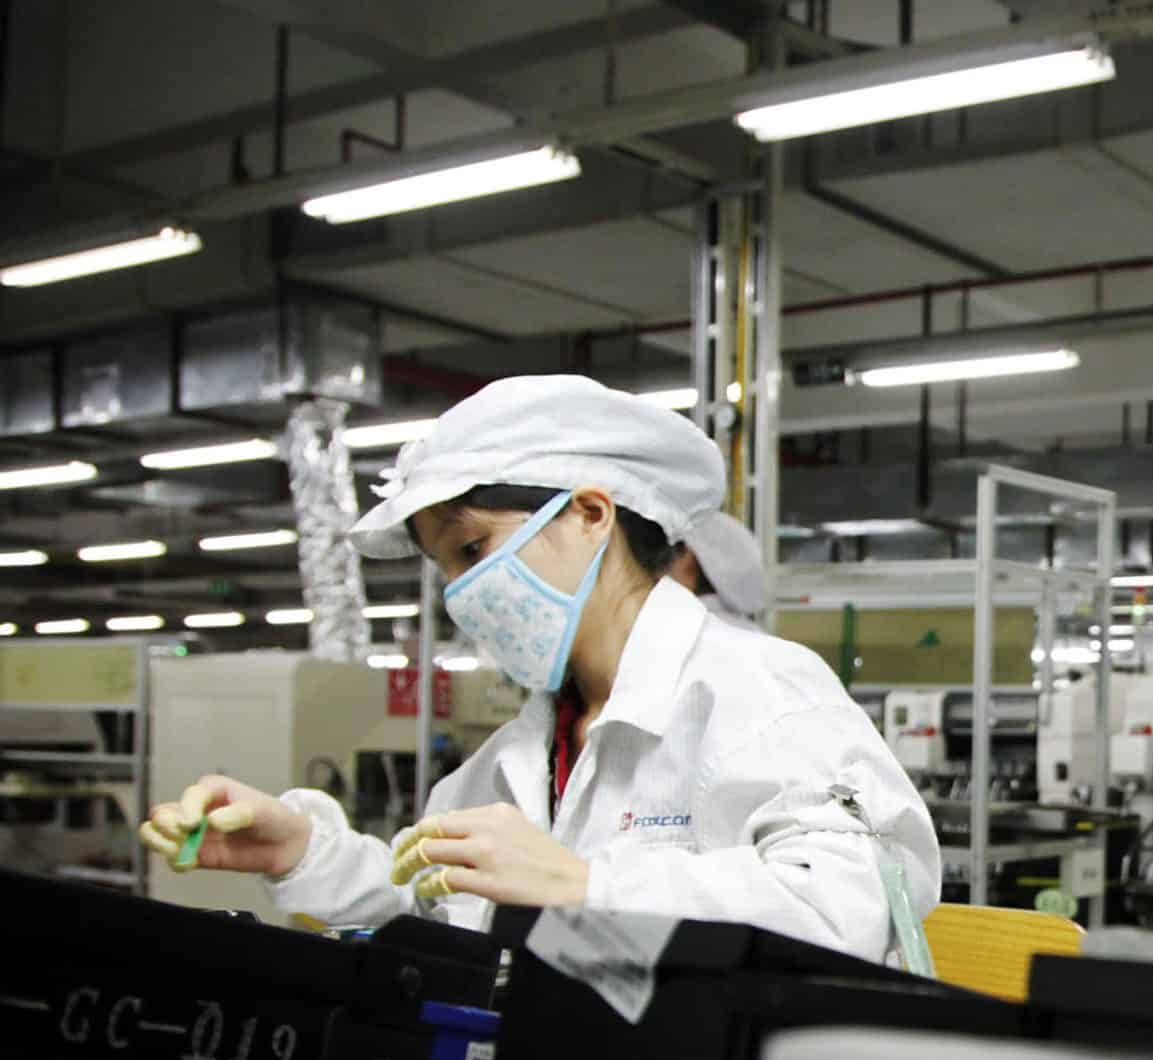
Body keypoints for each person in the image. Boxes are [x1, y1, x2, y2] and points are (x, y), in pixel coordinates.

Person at [138, 375, 938, 964]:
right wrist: (303, 852)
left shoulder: (759, 690)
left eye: (474, 549)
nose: (461, 592)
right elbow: (441, 908)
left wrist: (588, 885)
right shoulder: (524, 750)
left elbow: (858, 904)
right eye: (444, 567)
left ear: (591, 514)